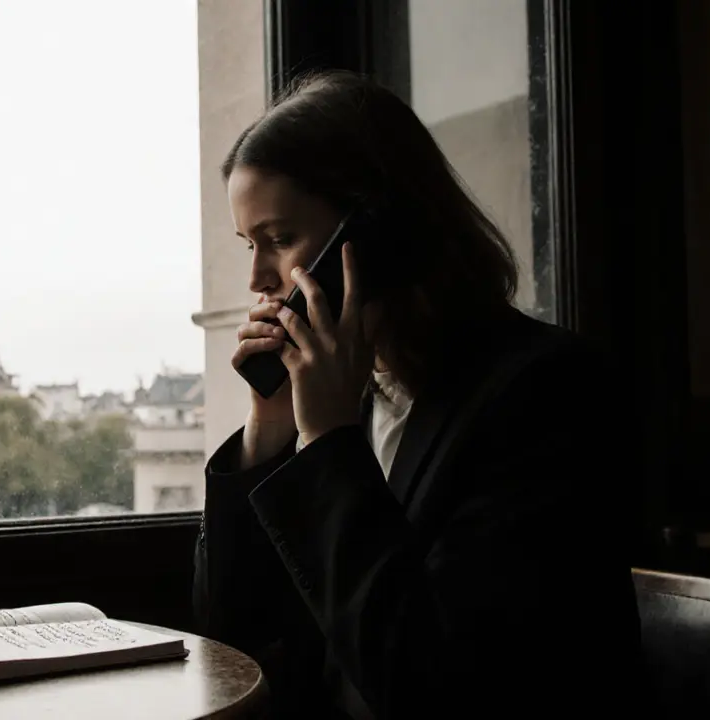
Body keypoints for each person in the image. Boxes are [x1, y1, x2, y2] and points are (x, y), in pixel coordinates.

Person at [192, 70, 643, 718]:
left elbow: (429, 680)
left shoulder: (547, 391)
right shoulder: (354, 396)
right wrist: (270, 430)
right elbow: (232, 633)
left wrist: (329, 443)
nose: (259, 277)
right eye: (248, 245)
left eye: (280, 240)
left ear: (373, 233)